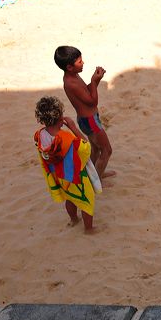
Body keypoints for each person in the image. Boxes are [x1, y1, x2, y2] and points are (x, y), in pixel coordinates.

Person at [34, 96, 101, 234]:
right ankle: (88, 229)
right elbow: (85, 147)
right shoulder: (66, 138)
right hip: (75, 177)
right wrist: (73, 128)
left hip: (60, 176)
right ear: (60, 118)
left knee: (70, 198)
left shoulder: (40, 135)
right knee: (86, 202)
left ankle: (74, 219)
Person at [54, 45, 116, 180]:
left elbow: (86, 94)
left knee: (96, 150)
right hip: (90, 120)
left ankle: (94, 175)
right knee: (106, 150)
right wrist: (94, 81)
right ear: (69, 67)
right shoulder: (71, 83)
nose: (83, 63)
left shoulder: (73, 76)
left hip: (87, 119)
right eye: (79, 62)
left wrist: (95, 83)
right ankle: (96, 181)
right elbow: (92, 102)